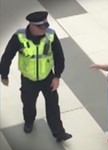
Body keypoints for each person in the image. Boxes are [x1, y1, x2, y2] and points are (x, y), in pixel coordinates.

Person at [0, 11, 72, 142]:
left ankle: (59, 132)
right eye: (40, 27)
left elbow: (59, 56)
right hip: (28, 79)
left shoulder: (50, 35)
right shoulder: (19, 37)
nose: (44, 29)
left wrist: (57, 76)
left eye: (45, 26)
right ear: (31, 26)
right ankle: (29, 122)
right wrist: (4, 74)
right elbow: (7, 56)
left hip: (47, 78)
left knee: (53, 106)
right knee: (28, 104)